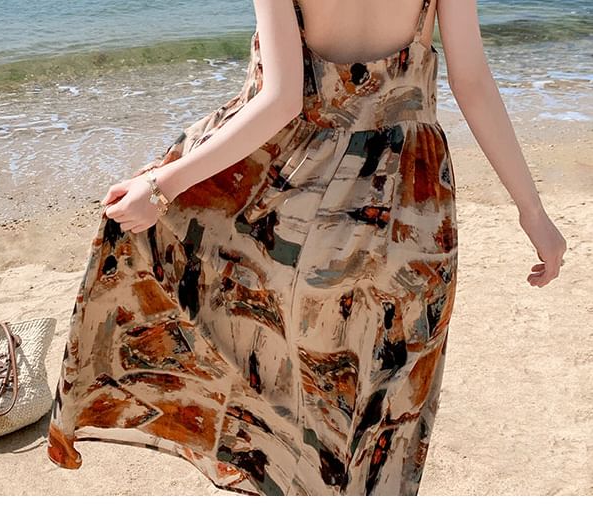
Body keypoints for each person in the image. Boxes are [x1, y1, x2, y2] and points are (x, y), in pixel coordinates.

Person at [45, 0, 568, 495]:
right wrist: (532, 211)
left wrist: (162, 188)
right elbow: (472, 82)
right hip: (413, 214)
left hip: (302, 209)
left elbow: (281, 100)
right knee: (388, 422)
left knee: (303, 416)